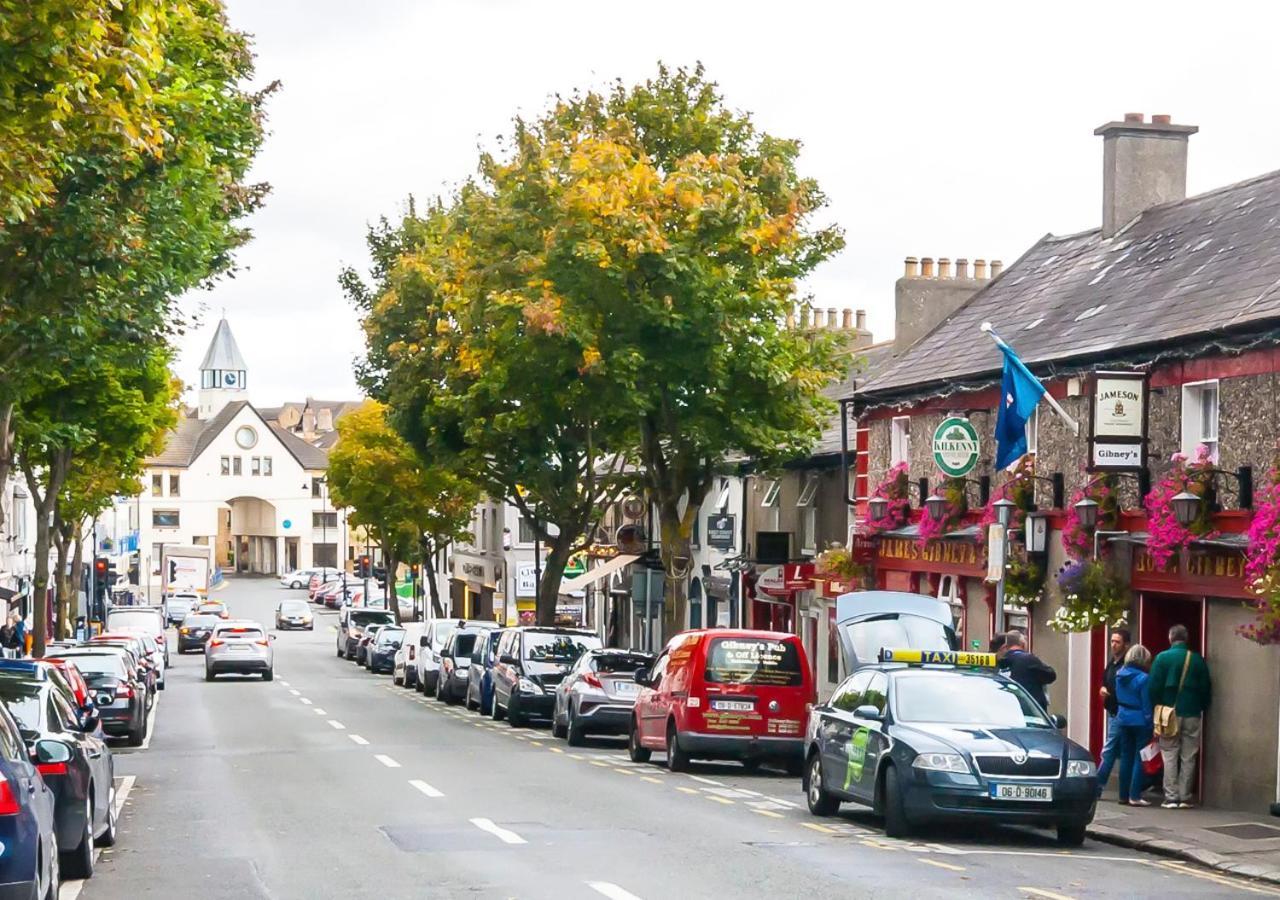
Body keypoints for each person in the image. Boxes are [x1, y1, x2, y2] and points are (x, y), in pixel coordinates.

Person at [1148, 625, 1212, 809]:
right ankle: (1185, 796)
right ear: (1186, 638)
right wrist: (1202, 707)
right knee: (1189, 755)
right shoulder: (1197, 660)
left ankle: (1171, 796)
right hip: (1192, 712)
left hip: (1169, 713)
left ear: (1170, 638)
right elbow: (1206, 688)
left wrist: (1157, 707)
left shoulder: (1162, 658)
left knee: (1169, 753)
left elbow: (1153, 687)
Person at [1113, 644, 1154, 806]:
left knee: (1125, 757)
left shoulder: (1119, 675)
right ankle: (1135, 795)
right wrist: (1149, 721)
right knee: (1139, 757)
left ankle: (1123, 795)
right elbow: (1146, 702)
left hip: (1123, 717)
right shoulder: (1143, 678)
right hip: (1139, 719)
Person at [1095, 628, 1132, 795]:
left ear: (1126, 644)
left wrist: (1112, 694)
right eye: (1112, 641)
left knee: (1109, 750)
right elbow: (1104, 680)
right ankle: (1127, 789)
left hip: (1120, 712)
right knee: (1120, 751)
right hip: (1111, 711)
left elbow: (1126, 691)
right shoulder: (1112, 662)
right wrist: (1103, 688)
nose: (1113, 645)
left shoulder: (1126, 665)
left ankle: (1097, 786)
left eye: (1117, 642)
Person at [999, 630, 1056, 711]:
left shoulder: (1001, 661)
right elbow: (1051, 675)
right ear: (1022, 643)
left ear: (1006, 645)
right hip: (1030, 711)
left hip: (1006, 709)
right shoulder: (1028, 660)